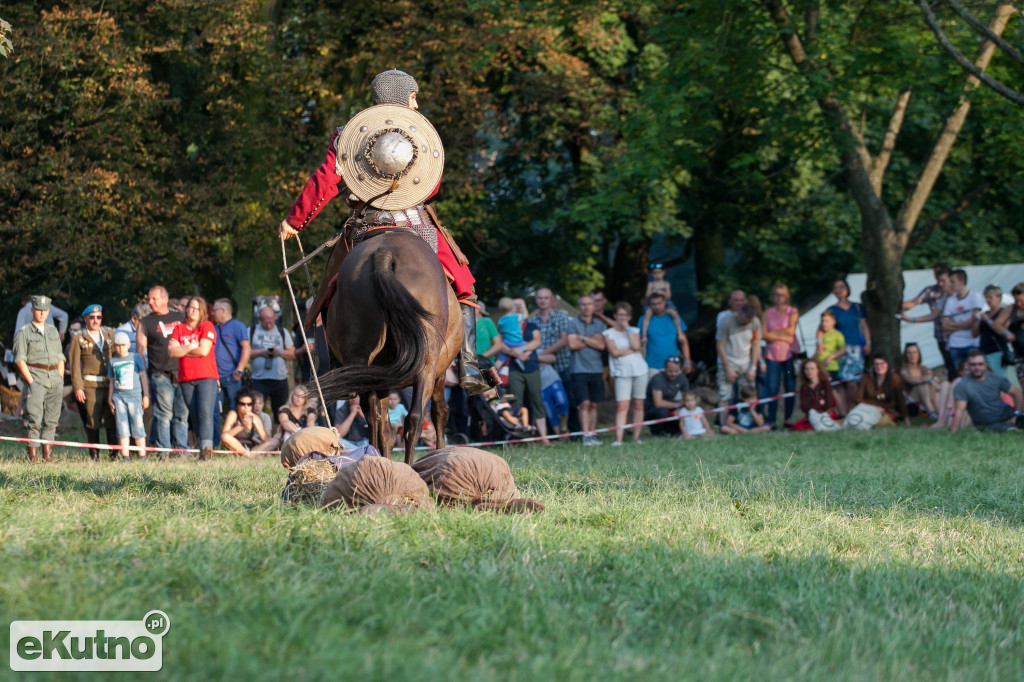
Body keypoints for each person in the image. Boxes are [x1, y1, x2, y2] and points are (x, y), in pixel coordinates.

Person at [277, 69, 494, 393]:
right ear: (399, 96)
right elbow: (432, 187)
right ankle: (469, 366)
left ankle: (340, 365)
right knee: (464, 287)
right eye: (413, 97)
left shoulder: (347, 134)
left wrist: (295, 221)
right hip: (417, 225)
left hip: (366, 225)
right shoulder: (420, 134)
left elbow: (326, 179)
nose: (416, 105)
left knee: (331, 292)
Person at [13, 295, 65, 462]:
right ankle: (33, 458)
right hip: (36, 376)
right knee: (34, 419)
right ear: (32, 310)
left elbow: (60, 357)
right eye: (38, 310)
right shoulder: (24, 332)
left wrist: (60, 377)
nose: (42, 313)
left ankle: (48, 457)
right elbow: (20, 359)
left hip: (54, 378)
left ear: (48, 311)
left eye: (45, 310)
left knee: (52, 420)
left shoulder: (53, 330)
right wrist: (31, 382)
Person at [137, 285, 188, 453]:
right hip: (160, 374)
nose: (150, 302)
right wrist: (143, 375)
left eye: (154, 298)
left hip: (182, 372)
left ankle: (181, 450)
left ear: (165, 299)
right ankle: (164, 451)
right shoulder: (145, 322)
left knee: (182, 415)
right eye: (149, 299)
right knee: (164, 415)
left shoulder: (180, 317)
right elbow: (140, 351)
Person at [168, 296, 219, 460]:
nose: (193, 311)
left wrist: (181, 349)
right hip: (186, 377)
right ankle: (200, 448)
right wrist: (190, 346)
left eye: (197, 308)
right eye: (190, 307)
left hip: (206, 376)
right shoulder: (179, 328)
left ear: (202, 311)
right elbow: (172, 352)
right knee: (195, 415)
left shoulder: (207, 326)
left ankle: (207, 451)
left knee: (205, 413)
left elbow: (204, 350)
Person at [812, 353, 908, 431]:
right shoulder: (867, 378)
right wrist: (875, 405)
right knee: (851, 421)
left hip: (885, 411)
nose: (879, 366)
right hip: (866, 408)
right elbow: (859, 398)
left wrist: (906, 417)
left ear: (887, 365)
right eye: (876, 364)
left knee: (882, 423)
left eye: (882, 364)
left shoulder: (894, 378)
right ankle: (825, 423)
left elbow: (900, 399)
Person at [69, 303, 116, 452]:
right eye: (92, 317)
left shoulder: (110, 334)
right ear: (85, 318)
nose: (95, 320)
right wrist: (78, 387)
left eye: (98, 317)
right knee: (92, 419)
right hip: (90, 384)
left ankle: (114, 453)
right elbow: (75, 365)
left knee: (111, 419)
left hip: (109, 384)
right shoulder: (79, 338)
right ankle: (94, 455)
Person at [602, 302, 648, 446]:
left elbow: (636, 346)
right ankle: (619, 439)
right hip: (621, 372)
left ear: (629, 317)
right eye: (620, 315)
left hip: (640, 370)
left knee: (639, 404)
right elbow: (614, 352)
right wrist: (631, 351)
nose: (622, 318)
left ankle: (636, 438)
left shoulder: (634, 330)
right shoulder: (608, 333)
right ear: (615, 315)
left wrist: (628, 329)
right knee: (622, 405)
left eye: (625, 315)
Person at [902, 262, 955, 378]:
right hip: (942, 336)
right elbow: (930, 313)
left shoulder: (956, 294)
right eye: (936, 274)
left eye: (940, 274)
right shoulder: (932, 291)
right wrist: (902, 311)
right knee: (951, 368)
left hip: (958, 338)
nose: (937, 277)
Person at [567, 294, 607, 445]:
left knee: (594, 404)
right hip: (578, 370)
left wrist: (582, 338)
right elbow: (572, 345)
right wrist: (592, 340)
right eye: (583, 304)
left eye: (589, 304)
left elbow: (602, 346)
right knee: (584, 403)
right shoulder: (572, 324)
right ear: (579, 307)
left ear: (594, 306)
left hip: (596, 369)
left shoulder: (600, 325)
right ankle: (585, 436)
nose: (586, 307)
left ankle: (593, 435)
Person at [951, 350, 1023, 434]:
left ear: (985, 365)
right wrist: (953, 433)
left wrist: (1017, 414)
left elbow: (1017, 393)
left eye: (980, 364)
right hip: (988, 424)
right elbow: (959, 410)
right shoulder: (962, 385)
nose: (977, 367)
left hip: (1008, 415)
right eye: (973, 365)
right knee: (1012, 430)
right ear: (969, 366)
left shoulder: (995, 378)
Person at [505, 315, 551, 445]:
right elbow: (503, 344)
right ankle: (518, 437)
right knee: (515, 403)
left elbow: (537, 341)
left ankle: (544, 437)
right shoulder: (507, 326)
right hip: (514, 370)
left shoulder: (532, 326)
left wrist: (522, 350)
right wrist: (519, 354)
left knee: (537, 401)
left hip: (532, 368)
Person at [828, 279, 871, 411]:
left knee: (854, 382)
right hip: (841, 350)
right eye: (836, 287)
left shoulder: (857, 308)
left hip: (857, 348)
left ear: (847, 289)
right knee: (843, 383)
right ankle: (846, 411)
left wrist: (868, 342)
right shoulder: (832, 310)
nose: (839, 290)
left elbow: (864, 326)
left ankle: (857, 407)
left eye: (841, 287)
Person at [107, 330, 150, 461]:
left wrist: (146, 395)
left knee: (138, 425)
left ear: (128, 345)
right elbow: (112, 381)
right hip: (119, 398)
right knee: (122, 426)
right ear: (114, 347)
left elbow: (143, 376)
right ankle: (125, 456)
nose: (120, 348)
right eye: (118, 345)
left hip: (135, 397)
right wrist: (110, 399)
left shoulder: (135, 358)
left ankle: (142, 455)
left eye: (123, 345)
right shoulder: (112, 361)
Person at [762, 283, 800, 428]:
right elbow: (764, 334)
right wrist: (782, 334)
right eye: (776, 294)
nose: (779, 298)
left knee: (789, 385)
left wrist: (774, 334)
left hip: (789, 354)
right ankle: (772, 419)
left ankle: (788, 418)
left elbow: (791, 334)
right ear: (773, 296)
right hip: (772, 355)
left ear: (787, 297)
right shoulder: (767, 313)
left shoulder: (792, 311)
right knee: (772, 387)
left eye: (782, 295)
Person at [716, 303, 761, 417]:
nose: (745, 323)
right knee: (724, 395)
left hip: (746, 362)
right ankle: (723, 425)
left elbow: (756, 343)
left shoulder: (755, 322)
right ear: (739, 313)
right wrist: (728, 368)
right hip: (728, 361)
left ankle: (747, 422)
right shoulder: (726, 321)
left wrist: (753, 366)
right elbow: (720, 345)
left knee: (748, 393)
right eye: (743, 320)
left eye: (748, 322)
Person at [249, 305, 295, 415]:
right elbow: (244, 353)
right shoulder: (251, 331)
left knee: (281, 412)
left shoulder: (282, 332)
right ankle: (258, 431)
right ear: (259, 319)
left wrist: (279, 352)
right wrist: (260, 352)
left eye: (271, 321)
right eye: (265, 322)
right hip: (258, 379)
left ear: (275, 317)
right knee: (255, 411)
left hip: (279, 379)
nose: (269, 325)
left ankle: (278, 432)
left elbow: (293, 354)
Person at [211, 299, 252, 420]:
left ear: (223, 311)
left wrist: (239, 371)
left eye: (214, 310)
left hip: (232, 376)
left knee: (237, 410)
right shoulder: (214, 328)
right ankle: (217, 438)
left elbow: (246, 348)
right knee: (215, 410)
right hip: (216, 377)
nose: (212, 313)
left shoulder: (238, 326)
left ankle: (237, 436)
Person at [941, 269, 983, 370]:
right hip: (955, 344)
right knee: (961, 377)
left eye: (953, 281)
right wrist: (966, 325)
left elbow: (975, 320)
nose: (950, 284)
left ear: (962, 281)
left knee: (975, 374)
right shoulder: (950, 301)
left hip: (972, 343)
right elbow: (944, 326)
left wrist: (953, 324)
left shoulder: (975, 297)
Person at [641, 292, 691, 378]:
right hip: (651, 365)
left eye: (659, 303)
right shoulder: (644, 319)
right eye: (653, 304)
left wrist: (687, 361)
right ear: (650, 305)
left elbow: (684, 341)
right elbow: (639, 344)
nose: (657, 307)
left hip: (673, 365)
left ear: (665, 303)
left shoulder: (674, 318)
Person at [975, 284, 1013, 383]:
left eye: (990, 297)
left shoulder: (1004, 313)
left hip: (997, 351)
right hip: (984, 351)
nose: (987, 300)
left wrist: (988, 320)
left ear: (998, 298)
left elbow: (1003, 331)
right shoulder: (985, 314)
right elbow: (974, 333)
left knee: (998, 380)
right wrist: (977, 319)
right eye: (986, 297)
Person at [644, 357, 690, 436]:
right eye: (670, 371)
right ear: (665, 368)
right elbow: (658, 403)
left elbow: (688, 397)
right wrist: (678, 405)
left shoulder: (682, 378)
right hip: (652, 409)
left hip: (670, 405)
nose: (673, 374)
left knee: (689, 407)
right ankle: (656, 432)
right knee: (662, 412)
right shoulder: (657, 379)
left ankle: (675, 430)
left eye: (676, 371)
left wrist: (680, 409)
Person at [991, 282, 1024, 388]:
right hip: (1019, 353)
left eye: (1021, 301)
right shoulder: (1012, 308)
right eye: (1016, 300)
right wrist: (1006, 332)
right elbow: (996, 324)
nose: (1018, 304)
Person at [814, 310, 847, 414]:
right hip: (819, 367)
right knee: (821, 392)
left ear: (833, 322)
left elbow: (843, 350)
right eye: (823, 321)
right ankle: (826, 413)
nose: (824, 323)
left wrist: (831, 357)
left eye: (827, 321)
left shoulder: (837, 334)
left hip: (831, 367)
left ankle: (842, 413)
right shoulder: (820, 333)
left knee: (833, 391)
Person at [899, 342, 939, 420]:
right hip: (911, 402)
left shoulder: (923, 368)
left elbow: (934, 378)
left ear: (918, 354)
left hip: (926, 398)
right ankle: (931, 411)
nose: (912, 355)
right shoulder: (903, 370)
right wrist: (926, 378)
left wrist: (932, 379)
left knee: (931, 385)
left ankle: (937, 411)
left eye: (914, 352)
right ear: (905, 355)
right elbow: (911, 380)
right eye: (909, 353)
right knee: (922, 384)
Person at [795, 358, 836, 431]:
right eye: (806, 369)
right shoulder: (804, 387)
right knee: (797, 427)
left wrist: (812, 405)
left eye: (812, 369)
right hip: (811, 416)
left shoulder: (825, 384)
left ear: (818, 370)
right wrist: (820, 402)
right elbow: (804, 407)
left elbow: (828, 404)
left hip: (827, 415)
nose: (809, 372)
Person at [220, 390, 266, 457]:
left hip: (252, 448)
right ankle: (247, 455)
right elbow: (224, 436)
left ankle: (251, 455)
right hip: (235, 447)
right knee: (225, 437)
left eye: (249, 404)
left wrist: (255, 423)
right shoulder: (233, 414)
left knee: (274, 441)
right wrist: (242, 426)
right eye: (242, 404)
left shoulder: (254, 417)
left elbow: (265, 439)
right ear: (237, 405)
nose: (246, 407)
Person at [494, 296, 525, 372]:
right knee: (529, 346)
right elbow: (525, 315)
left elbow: (500, 331)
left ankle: (493, 371)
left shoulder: (501, 320)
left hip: (506, 342)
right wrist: (523, 305)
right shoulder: (515, 316)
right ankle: (519, 358)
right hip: (518, 342)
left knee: (501, 359)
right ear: (512, 307)